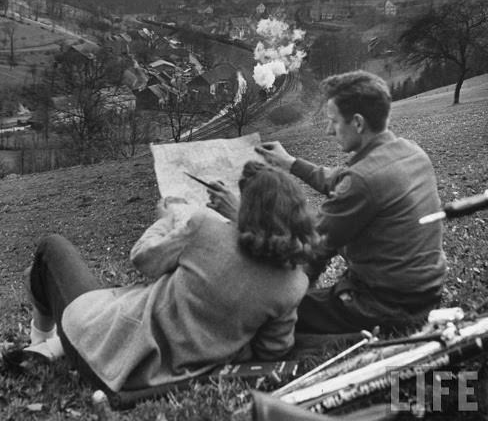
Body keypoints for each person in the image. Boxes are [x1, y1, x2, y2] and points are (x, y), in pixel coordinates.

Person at [15, 161, 319, 395]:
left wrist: (165, 221)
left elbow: (143, 258)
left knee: (50, 248)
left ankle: (43, 342)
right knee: (50, 279)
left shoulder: (208, 228)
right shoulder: (294, 285)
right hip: (156, 380)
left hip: (102, 352)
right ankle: (49, 347)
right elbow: (273, 350)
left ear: (247, 208)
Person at [253, 70, 447, 335]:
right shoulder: (410, 152)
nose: (328, 130)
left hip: (386, 305)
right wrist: (292, 164)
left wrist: (285, 299)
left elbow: (315, 247)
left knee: (269, 313)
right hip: (425, 293)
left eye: (333, 121)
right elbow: (341, 180)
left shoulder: (363, 180)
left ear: (357, 123)